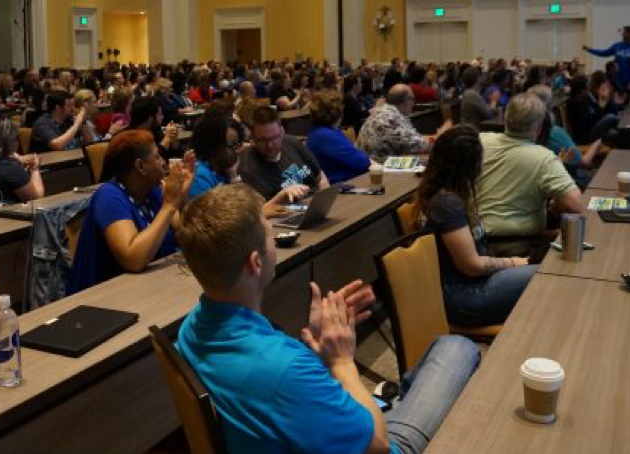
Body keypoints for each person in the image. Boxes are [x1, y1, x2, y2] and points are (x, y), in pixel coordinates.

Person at [176, 183, 480, 454]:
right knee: (456, 347)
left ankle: (391, 403)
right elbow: (379, 445)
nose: (274, 242)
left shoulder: (190, 328)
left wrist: (316, 352)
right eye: (270, 235)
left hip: (306, 423)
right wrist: (342, 362)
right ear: (255, 263)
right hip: (380, 443)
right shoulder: (286, 370)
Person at [416, 125, 537, 326]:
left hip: (473, 283)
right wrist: (514, 262)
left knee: (542, 272)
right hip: (463, 295)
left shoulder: (450, 193)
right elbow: (471, 266)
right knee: (543, 275)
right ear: (470, 166)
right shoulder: (447, 203)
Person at [67, 130, 193, 295]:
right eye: (157, 157)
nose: (164, 162)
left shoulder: (153, 191)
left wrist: (182, 198)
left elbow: (188, 237)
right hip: (100, 298)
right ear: (140, 166)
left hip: (147, 289)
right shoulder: (109, 197)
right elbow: (133, 259)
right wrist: (169, 205)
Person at [477, 93, 583, 257]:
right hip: (519, 248)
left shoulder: (480, 141)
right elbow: (576, 206)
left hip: (474, 242)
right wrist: (556, 200)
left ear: (505, 119)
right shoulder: (544, 158)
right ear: (539, 128)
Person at [188, 114, 292, 218]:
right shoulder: (199, 178)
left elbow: (253, 203)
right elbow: (214, 223)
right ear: (213, 148)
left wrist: (233, 176)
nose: (238, 151)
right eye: (232, 146)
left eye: (238, 144)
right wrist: (259, 214)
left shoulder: (224, 169)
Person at [239, 106, 328, 201]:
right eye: (263, 140)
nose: (270, 145)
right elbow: (262, 208)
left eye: (274, 137)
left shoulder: (292, 142)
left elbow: (320, 178)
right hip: (285, 209)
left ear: (282, 132)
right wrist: (282, 195)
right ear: (252, 139)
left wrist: (325, 201)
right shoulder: (248, 168)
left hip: (315, 201)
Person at [528, 85, 601, 186]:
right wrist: (596, 144)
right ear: (550, 105)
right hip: (571, 183)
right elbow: (583, 163)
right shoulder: (554, 133)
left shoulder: (525, 134)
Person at [357, 84, 450, 161]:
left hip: (379, 164)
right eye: (413, 99)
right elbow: (419, 146)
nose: (413, 104)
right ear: (407, 100)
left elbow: (412, 138)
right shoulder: (390, 119)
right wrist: (441, 135)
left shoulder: (385, 112)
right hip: (378, 170)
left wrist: (434, 137)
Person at [306, 91, 371, 185]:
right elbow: (362, 163)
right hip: (345, 184)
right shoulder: (327, 136)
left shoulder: (318, 130)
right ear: (337, 113)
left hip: (344, 181)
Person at [583, 25, 630, 91]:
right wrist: (590, 50)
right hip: (617, 81)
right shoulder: (617, 46)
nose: (622, 35)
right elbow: (604, 53)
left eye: (625, 33)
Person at [28, 91, 94, 153]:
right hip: (49, 160)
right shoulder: (42, 124)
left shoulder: (70, 120)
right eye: (69, 105)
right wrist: (76, 124)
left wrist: (83, 122)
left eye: (72, 105)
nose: (72, 108)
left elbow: (90, 143)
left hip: (71, 157)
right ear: (58, 108)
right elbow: (58, 145)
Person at [565, 72, 621, 146]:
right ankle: (624, 125)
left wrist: (603, 102)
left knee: (615, 133)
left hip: (593, 129)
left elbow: (596, 112)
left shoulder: (585, 99)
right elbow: (590, 120)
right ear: (582, 90)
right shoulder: (573, 104)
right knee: (611, 117)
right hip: (585, 137)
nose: (588, 90)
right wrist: (601, 105)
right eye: (587, 88)